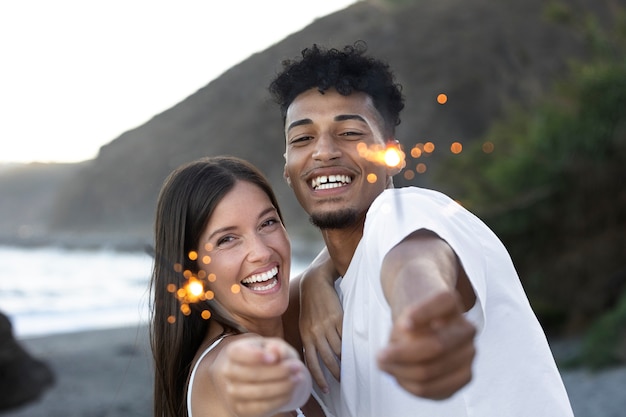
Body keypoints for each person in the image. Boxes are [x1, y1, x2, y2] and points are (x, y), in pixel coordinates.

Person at [269, 42, 574, 416]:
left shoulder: (411, 211)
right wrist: (316, 277)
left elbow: (417, 258)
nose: (324, 151)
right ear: (287, 167)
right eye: (302, 138)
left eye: (349, 132)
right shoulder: (318, 305)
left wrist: (423, 312)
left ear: (391, 155)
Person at [149, 156, 334, 417]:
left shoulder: (289, 314)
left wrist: (319, 274)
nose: (261, 252)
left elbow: (350, 244)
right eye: (227, 239)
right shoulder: (231, 360)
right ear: (194, 270)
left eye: (267, 223)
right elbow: (234, 366)